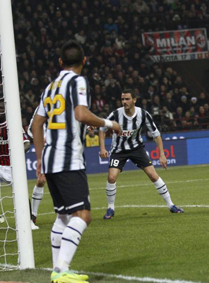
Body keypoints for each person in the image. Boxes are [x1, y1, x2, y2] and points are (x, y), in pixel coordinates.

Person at [31, 40, 122, 283]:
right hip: (68, 159)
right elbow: (81, 114)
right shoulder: (78, 81)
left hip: (50, 159)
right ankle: (61, 270)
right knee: (82, 215)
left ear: (60, 62)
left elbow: (35, 125)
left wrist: (39, 159)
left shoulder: (49, 88)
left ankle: (56, 270)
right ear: (84, 61)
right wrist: (110, 124)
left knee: (63, 216)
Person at [99, 90, 184, 220]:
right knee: (111, 177)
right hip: (118, 150)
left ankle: (171, 205)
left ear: (134, 100)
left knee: (153, 175)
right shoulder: (116, 114)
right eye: (122, 99)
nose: (124, 102)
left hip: (136, 149)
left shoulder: (143, 114)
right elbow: (102, 129)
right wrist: (102, 148)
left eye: (127, 99)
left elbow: (156, 134)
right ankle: (111, 208)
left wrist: (162, 155)